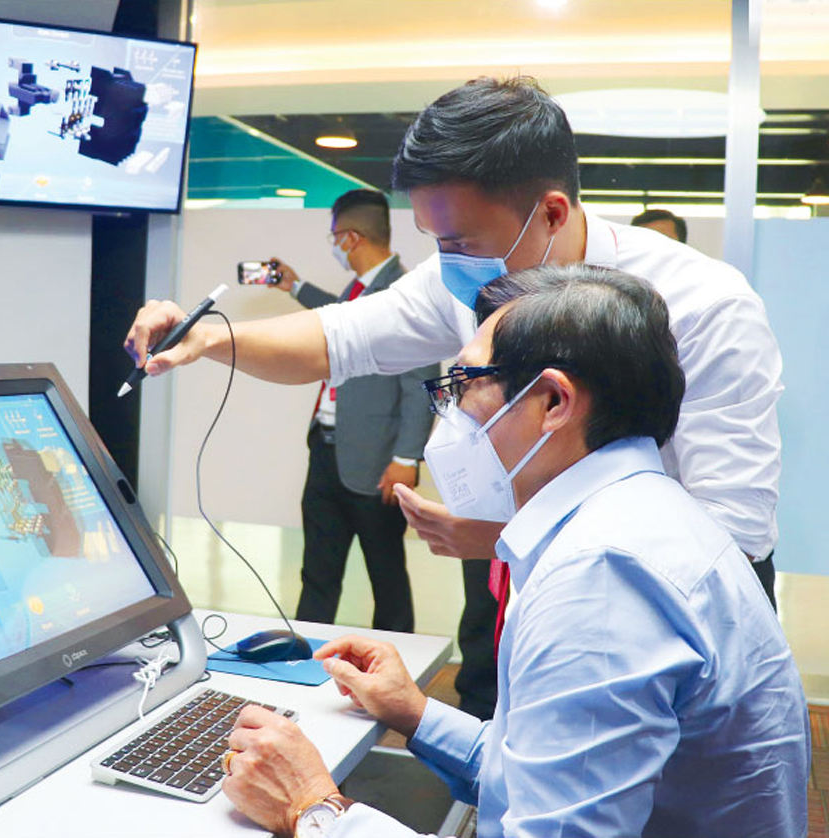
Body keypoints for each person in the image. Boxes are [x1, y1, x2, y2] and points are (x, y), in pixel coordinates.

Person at [124, 76, 782, 721]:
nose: (448, 262)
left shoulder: (704, 306)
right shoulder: (472, 277)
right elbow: (340, 337)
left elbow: (731, 535)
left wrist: (509, 537)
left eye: (462, 242)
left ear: (552, 213)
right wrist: (209, 336)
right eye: (435, 241)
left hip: (676, 617)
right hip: (544, 597)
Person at [217, 266, 809, 838]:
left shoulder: (602, 578)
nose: (451, 414)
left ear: (553, 402)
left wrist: (313, 810)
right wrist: (413, 712)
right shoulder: (642, 517)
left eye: (464, 384)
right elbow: (537, 781)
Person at [267, 189, 435, 633]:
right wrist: (295, 286)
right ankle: (303, 657)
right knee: (317, 573)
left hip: (377, 464)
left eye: (335, 238)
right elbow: (340, 317)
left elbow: (420, 387)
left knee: (387, 578)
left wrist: (406, 459)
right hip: (326, 453)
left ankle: (395, 661)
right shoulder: (358, 290)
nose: (335, 246)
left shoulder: (405, 293)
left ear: (351, 238)